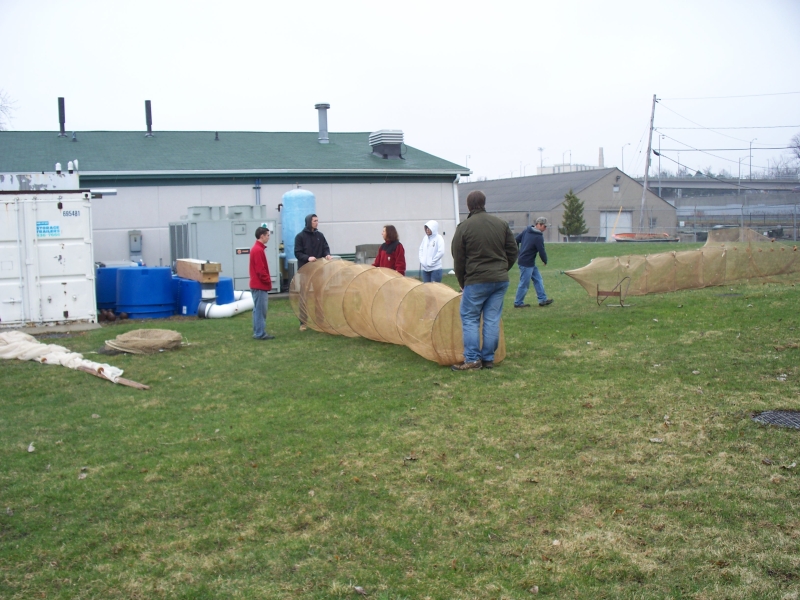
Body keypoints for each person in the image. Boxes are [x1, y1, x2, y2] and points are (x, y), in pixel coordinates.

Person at [450, 190, 518, 371]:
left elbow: (458, 258)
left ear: (468, 205)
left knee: (470, 318)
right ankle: (488, 358)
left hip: (476, 280)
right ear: (484, 202)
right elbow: (513, 251)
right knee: (492, 319)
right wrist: (502, 269)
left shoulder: (463, 227)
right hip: (500, 280)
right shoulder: (501, 224)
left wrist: (462, 281)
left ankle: (472, 359)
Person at [294, 213, 331, 331]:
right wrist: (307, 258)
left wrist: (327, 254)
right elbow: (297, 252)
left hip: (318, 271)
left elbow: (325, 247)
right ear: (309, 221)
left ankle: (320, 321)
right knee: (304, 296)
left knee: (319, 296)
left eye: (317, 220)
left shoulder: (320, 235)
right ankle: (303, 322)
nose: (316, 222)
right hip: (306, 271)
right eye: (314, 221)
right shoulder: (300, 236)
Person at [513, 217, 553, 308]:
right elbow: (541, 250)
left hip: (529, 262)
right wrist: (545, 260)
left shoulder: (527, 230)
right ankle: (518, 303)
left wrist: (519, 253)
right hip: (525, 263)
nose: (545, 228)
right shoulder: (538, 237)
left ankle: (542, 300)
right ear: (538, 224)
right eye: (544, 226)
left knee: (538, 279)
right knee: (524, 283)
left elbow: (516, 240)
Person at [249, 226, 274, 340]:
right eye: (267, 235)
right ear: (262, 236)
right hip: (259, 285)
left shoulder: (256, 249)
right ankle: (260, 333)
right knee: (260, 310)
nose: (269, 237)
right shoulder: (258, 250)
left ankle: (257, 331)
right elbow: (260, 270)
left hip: (257, 285)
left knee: (257, 310)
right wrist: (267, 280)